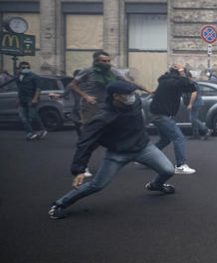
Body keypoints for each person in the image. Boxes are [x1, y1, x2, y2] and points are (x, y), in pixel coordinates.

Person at [47, 81, 176, 219]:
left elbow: (134, 85)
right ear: (116, 96)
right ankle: (60, 204)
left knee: (168, 170)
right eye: (128, 94)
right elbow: (86, 142)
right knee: (97, 185)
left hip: (143, 147)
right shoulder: (103, 117)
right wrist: (79, 168)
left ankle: (156, 185)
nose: (133, 96)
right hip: (117, 154)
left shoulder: (135, 102)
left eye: (133, 93)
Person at [68, 50, 148, 125]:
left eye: (108, 61)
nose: (107, 63)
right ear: (96, 61)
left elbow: (128, 82)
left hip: (107, 103)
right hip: (91, 104)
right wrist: (86, 96)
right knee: (90, 127)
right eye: (104, 61)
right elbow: (72, 85)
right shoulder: (88, 71)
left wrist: (147, 90)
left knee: (106, 127)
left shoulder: (113, 71)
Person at [150, 64, 197, 175]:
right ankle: (180, 166)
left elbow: (191, 87)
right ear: (178, 73)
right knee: (179, 138)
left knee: (165, 140)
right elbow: (189, 85)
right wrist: (182, 73)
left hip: (158, 114)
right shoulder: (172, 82)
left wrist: (182, 76)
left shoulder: (166, 80)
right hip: (162, 115)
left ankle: (145, 156)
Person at [2, 61, 47, 140]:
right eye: (23, 68)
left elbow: (38, 88)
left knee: (32, 116)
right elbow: (19, 89)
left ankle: (42, 130)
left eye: (27, 67)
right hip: (22, 99)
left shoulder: (34, 77)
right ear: (19, 68)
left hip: (31, 99)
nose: (26, 69)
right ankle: (30, 133)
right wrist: (18, 99)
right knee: (23, 117)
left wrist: (35, 99)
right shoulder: (18, 77)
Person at [185, 70, 211, 140]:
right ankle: (195, 134)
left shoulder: (192, 84)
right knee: (193, 118)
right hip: (196, 103)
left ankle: (206, 130)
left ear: (189, 77)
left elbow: (194, 94)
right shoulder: (192, 83)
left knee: (193, 119)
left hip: (196, 103)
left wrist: (190, 104)